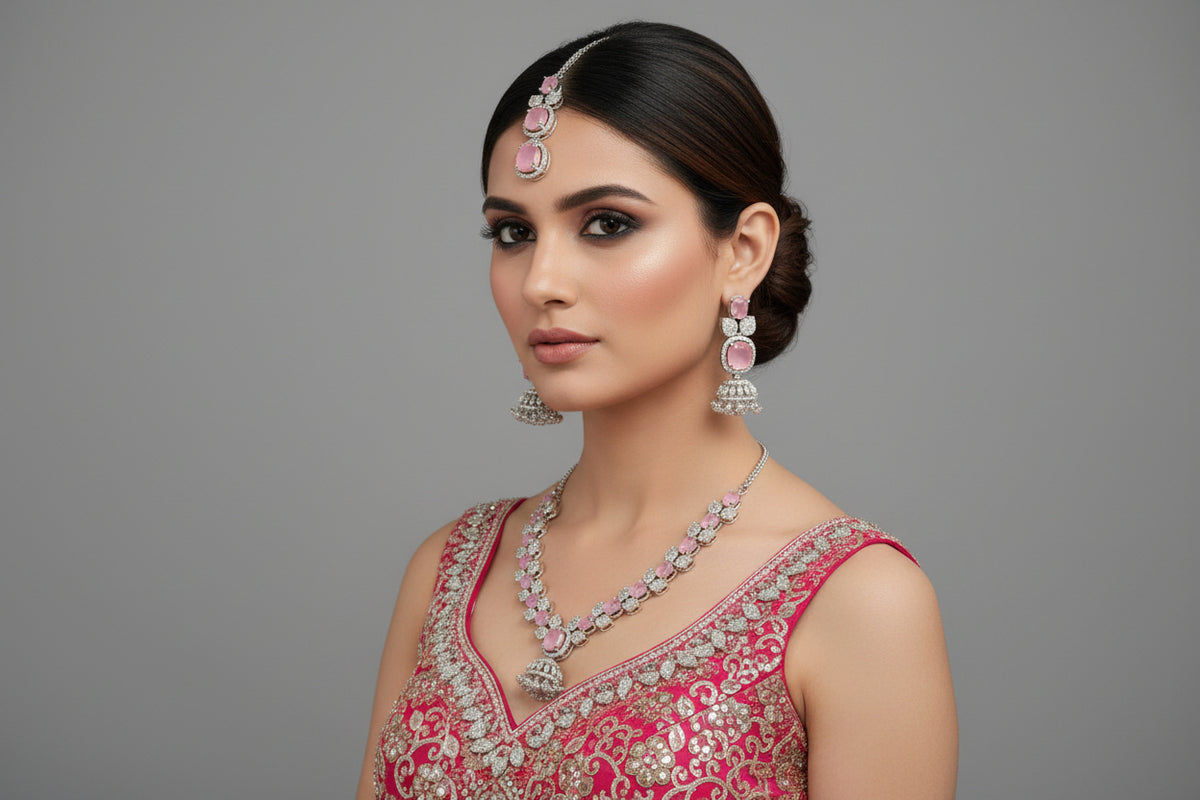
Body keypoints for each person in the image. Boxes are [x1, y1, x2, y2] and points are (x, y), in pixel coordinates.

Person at [357, 21, 957, 799]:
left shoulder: (858, 602)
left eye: (606, 224)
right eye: (512, 232)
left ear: (742, 250)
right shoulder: (448, 570)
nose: (541, 280)